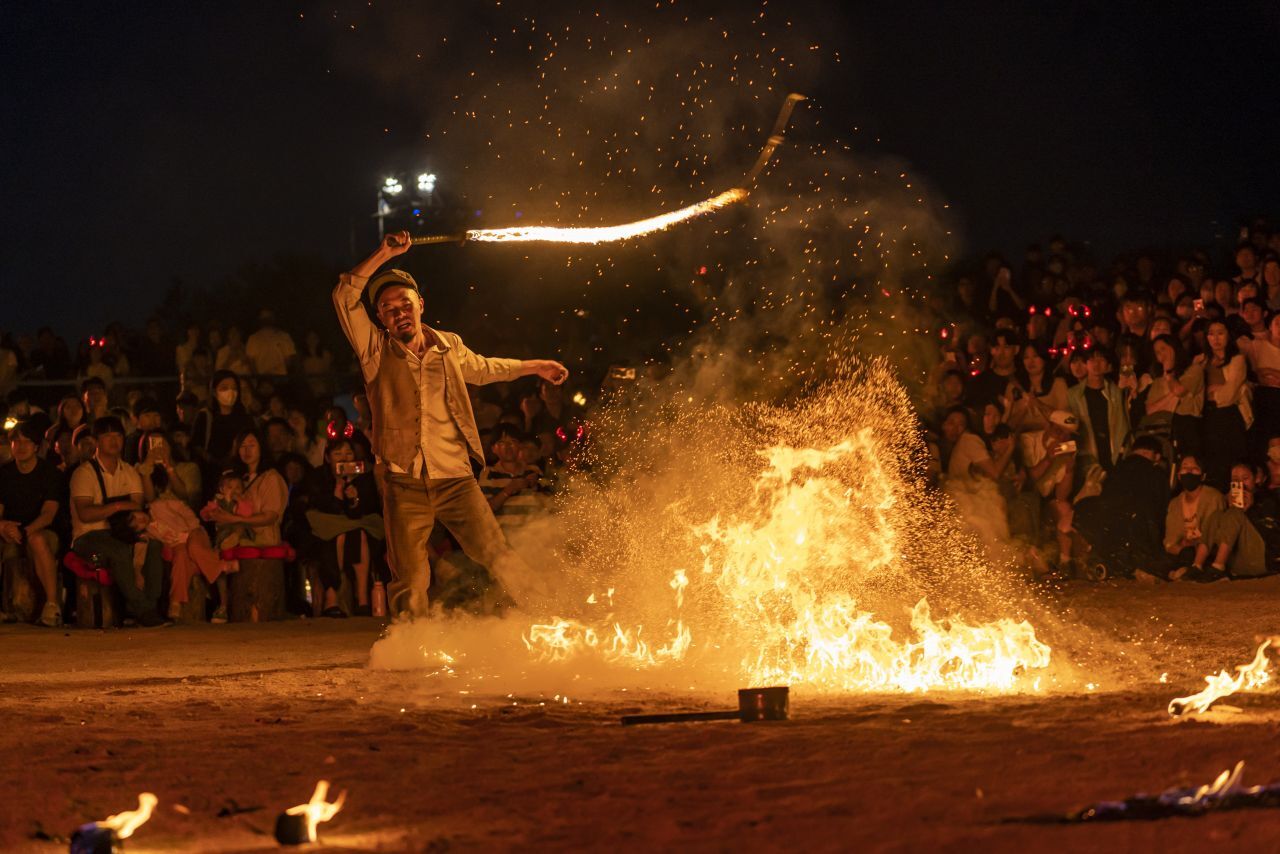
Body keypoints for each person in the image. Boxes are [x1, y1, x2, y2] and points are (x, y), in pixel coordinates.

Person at [332, 231, 569, 617]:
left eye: (404, 304)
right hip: (403, 479)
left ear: (420, 305)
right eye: (388, 308)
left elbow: (487, 368)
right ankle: (409, 647)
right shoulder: (374, 350)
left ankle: (547, 616)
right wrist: (383, 254)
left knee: (497, 553)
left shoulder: (449, 347)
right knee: (409, 574)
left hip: (455, 478)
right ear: (380, 317)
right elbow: (344, 296)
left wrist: (535, 367)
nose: (398, 313)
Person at [68, 416, 166, 626]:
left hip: (121, 532)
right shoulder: (83, 474)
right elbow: (85, 514)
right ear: (96, 441)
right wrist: (119, 506)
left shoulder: (129, 471)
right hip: (88, 536)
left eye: (118, 435)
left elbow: (138, 506)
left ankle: (150, 605)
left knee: (154, 545)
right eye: (107, 436)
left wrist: (108, 508)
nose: (114, 441)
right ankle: (142, 609)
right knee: (119, 550)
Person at [305, 438, 383, 617]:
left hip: (357, 526)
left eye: (348, 453)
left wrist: (354, 498)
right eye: (337, 454)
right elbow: (321, 506)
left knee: (358, 534)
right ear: (327, 457)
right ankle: (332, 597)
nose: (344, 458)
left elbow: (361, 512)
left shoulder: (363, 476)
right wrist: (338, 490)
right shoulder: (319, 476)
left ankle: (362, 599)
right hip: (325, 528)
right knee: (338, 535)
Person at [1075, 435, 1169, 579]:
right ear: (1156, 456)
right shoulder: (1156, 474)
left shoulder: (1115, 469)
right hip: (1134, 525)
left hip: (1097, 516)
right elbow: (1159, 508)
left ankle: (1099, 562)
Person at [0, 421, 64, 626]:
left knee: (37, 540)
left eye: (26, 441)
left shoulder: (49, 473)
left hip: (41, 529)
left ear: (36, 446)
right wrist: (4, 527)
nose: (20, 446)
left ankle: (52, 605)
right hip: (9, 530)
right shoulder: (4, 473)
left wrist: (25, 530)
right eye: (15, 441)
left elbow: (49, 513)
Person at [1197, 319, 1250, 491]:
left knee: (1231, 462)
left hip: (1228, 417)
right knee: (1212, 464)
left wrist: (1211, 393)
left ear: (1228, 335)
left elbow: (1229, 394)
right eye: (1211, 333)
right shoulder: (1200, 360)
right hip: (1206, 417)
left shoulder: (1237, 359)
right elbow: (1194, 392)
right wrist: (1211, 391)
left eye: (1220, 333)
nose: (1216, 338)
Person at [1162, 455, 1226, 582]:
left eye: (1194, 468)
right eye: (1185, 468)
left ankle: (1184, 571)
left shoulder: (1213, 497)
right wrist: (1179, 547)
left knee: (1192, 554)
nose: (1189, 471)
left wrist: (1192, 543)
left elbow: (1211, 533)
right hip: (1184, 551)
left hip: (1206, 551)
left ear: (1203, 476)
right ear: (1179, 475)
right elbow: (1170, 541)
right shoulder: (1175, 503)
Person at [1067, 347, 1130, 477]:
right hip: (1087, 453)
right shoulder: (1074, 394)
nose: (1096, 364)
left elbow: (1122, 424)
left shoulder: (1116, 392)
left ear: (1108, 365)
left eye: (1101, 359)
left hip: (1113, 451)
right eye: (1091, 359)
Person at [190, 370, 256, 469]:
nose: (230, 392)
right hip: (211, 473)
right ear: (214, 392)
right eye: (224, 388)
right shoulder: (205, 416)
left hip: (239, 471)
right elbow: (196, 445)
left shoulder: (246, 418)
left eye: (234, 388)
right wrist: (212, 460)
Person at [245, 309, 296, 378]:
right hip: (263, 380)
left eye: (267, 317)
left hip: (280, 379)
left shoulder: (284, 336)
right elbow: (251, 363)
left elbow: (289, 361)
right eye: (264, 318)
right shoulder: (253, 338)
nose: (266, 320)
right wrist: (259, 378)